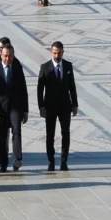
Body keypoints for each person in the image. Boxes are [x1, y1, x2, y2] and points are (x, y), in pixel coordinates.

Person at [37, 41, 78, 171]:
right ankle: (51, 161)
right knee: (50, 134)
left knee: (65, 133)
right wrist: (41, 106)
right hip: (50, 107)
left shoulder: (68, 66)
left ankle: (64, 161)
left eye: (59, 53)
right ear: (51, 52)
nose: (56, 55)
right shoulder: (45, 67)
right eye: (54, 53)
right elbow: (40, 88)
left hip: (65, 106)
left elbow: (72, 86)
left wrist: (74, 104)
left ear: (62, 52)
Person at [0, 44, 29, 172]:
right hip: (0, 109)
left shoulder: (17, 67)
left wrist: (25, 110)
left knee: (17, 130)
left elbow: (23, 88)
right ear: (1, 54)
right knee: (1, 136)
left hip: (15, 107)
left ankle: (17, 158)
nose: (8, 58)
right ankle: (4, 163)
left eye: (10, 55)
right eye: (5, 56)